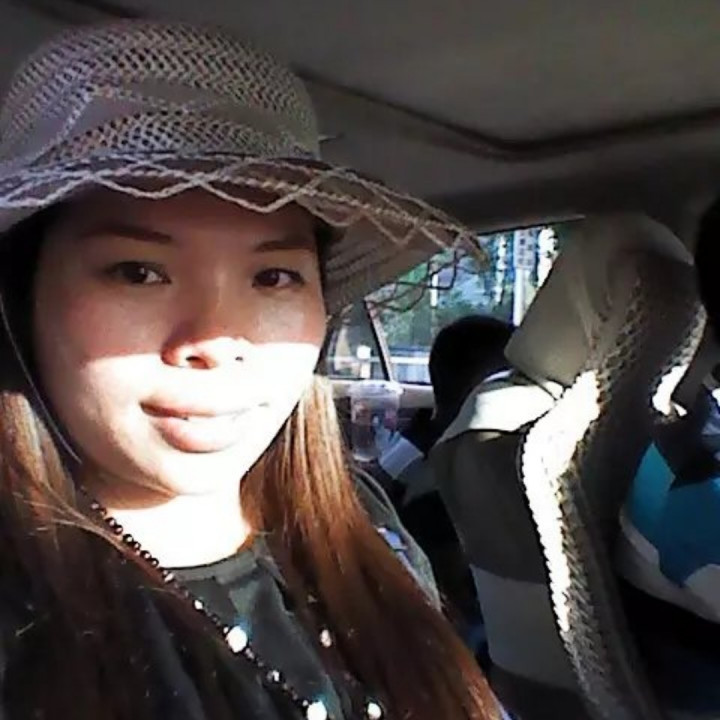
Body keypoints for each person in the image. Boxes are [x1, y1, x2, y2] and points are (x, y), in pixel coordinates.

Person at [0, 19, 502, 720]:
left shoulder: (363, 521)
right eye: (138, 272)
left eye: (273, 277)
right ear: (22, 302)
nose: (217, 339)